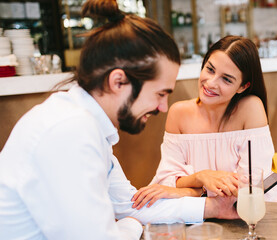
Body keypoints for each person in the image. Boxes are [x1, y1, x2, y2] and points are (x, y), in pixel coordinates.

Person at [0, 1, 239, 240]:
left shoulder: (87, 125)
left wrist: (215, 208)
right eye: (160, 94)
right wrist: (131, 225)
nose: (163, 107)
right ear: (118, 82)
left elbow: (130, 203)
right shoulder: (69, 132)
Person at [132, 36, 277, 210]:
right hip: (202, 213)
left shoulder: (250, 108)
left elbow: (248, 189)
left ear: (242, 86)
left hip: (258, 209)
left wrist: (190, 190)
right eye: (210, 69)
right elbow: (167, 180)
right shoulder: (178, 113)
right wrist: (202, 177)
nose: (211, 83)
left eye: (226, 79)